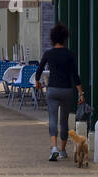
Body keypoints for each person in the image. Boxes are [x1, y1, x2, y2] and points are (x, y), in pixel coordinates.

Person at [35, 23, 83, 162]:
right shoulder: (69, 54)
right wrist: (81, 93)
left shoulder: (48, 53)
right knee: (64, 120)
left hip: (52, 90)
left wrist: (37, 82)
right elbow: (75, 75)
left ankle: (54, 148)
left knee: (53, 119)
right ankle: (63, 150)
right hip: (67, 90)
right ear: (64, 38)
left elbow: (39, 71)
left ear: (52, 38)